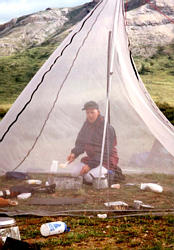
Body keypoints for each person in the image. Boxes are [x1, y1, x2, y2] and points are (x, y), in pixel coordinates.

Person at [67, 101, 125, 185]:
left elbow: (106, 152)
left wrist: (90, 166)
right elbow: (80, 143)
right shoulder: (86, 126)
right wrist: (74, 154)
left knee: (89, 177)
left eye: (92, 112)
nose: (90, 115)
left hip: (105, 159)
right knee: (74, 173)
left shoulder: (107, 128)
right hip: (92, 158)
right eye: (87, 113)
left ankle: (113, 173)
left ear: (98, 112)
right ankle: (96, 172)